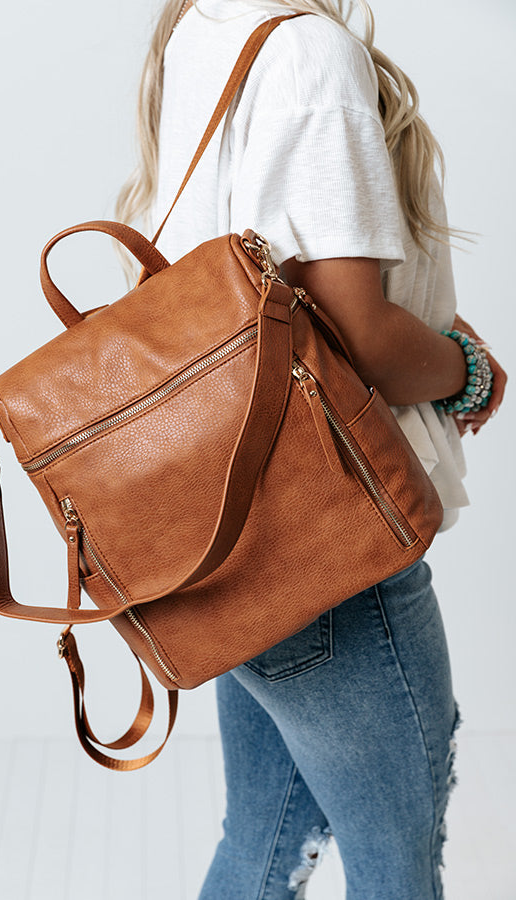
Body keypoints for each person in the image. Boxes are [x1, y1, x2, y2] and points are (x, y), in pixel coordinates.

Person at [116, 1, 507, 898]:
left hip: (230, 533)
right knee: (395, 871)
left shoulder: (201, 23)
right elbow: (359, 337)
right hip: (329, 538)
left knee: (263, 845)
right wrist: (470, 372)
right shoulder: (311, 55)